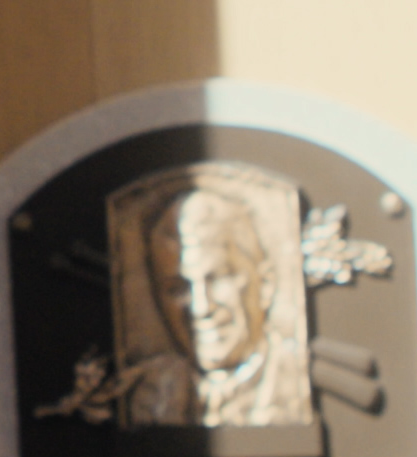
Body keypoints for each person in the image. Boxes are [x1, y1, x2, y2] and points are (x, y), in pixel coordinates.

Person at [118, 182, 309, 428]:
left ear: (266, 283)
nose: (201, 307)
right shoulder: (145, 397)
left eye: (217, 279)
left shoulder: (295, 379)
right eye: (177, 288)